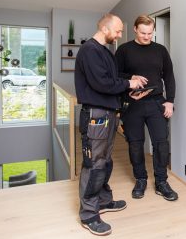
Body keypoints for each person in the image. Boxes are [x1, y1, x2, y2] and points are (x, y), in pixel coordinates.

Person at [75, 13, 144, 236]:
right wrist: (128, 83)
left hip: (108, 114)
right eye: (117, 30)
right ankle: (88, 214)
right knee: (94, 163)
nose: (120, 34)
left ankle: (103, 201)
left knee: (105, 162)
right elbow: (102, 83)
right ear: (105, 29)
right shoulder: (89, 51)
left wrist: (128, 88)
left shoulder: (104, 51)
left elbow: (111, 79)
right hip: (96, 116)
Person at [116, 15, 178, 201]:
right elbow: (115, 75)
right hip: (133, 103)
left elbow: (169, 76)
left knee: (161, 144)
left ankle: (161, 182)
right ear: (135, 29)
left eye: (150, 33)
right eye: (143, 33)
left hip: (156, 102)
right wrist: (131, 76)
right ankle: (141, 179)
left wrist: (170, 100)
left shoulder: (160, 50)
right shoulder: (124, 50)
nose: (147, 36)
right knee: (135, 144)